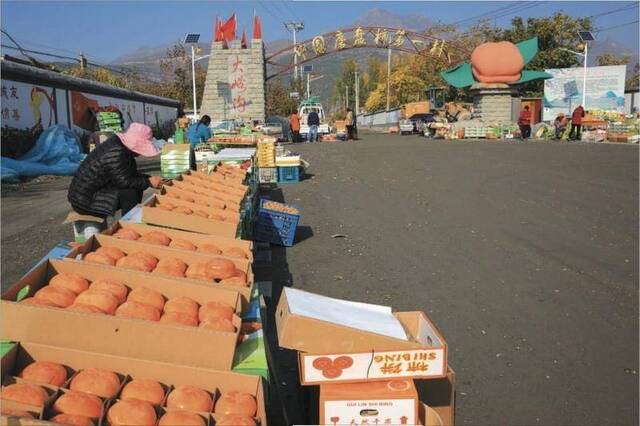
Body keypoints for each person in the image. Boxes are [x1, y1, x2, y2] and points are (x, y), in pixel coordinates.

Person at [68, 123, 162, 218]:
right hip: (83, 200)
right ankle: (130, 222)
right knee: (130, 192)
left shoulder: (121, 147)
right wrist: (148, 182)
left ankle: (133, 218)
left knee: (137, 185)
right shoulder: (117, 152)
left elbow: (128, 175)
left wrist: (150, 179)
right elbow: (124, 181)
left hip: (92, 192)